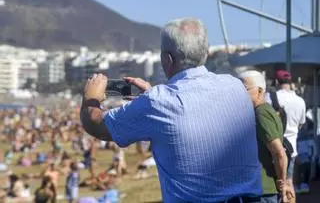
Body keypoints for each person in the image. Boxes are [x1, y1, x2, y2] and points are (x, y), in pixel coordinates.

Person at [80, 17, 262, 202]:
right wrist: (153, 96)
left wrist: (91, 98)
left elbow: (96, 124)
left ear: (167, 59)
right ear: (205, 52)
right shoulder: (235, 87)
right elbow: (197, 111)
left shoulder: (158, 102)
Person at [239, 71, 292, 203]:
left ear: (260, 90)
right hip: (260, 190)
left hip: (262, 191)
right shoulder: (263, 110)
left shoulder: (261, 113)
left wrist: (283, 182)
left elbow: (279, 152)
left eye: (244, 89)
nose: (240, 93)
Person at [275, 70, 306, 195]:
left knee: (276, 186)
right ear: (290, 81)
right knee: (289, 183)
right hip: (292, 146)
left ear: (277, 82)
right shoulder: (300, 101)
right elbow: (301, 123)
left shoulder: (272, 97)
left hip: (275, 146)